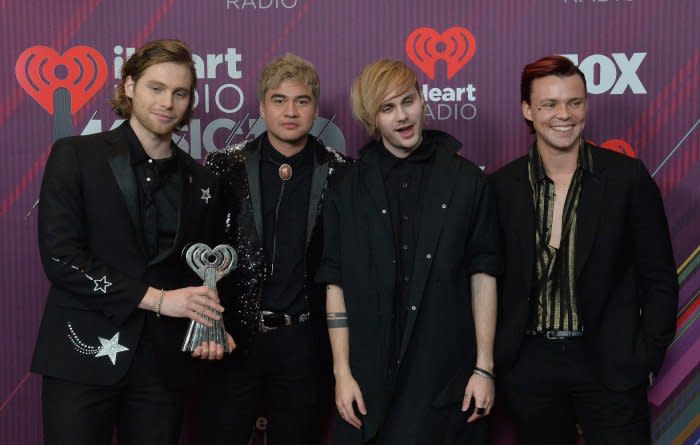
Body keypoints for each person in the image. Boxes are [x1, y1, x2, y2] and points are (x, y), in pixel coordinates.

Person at [31, 39, 234, 445]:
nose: (167, 102)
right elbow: (62, 257)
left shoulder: (203, 182)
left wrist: (213, 324)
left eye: (179, 93)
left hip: (162, 367)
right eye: (155, 88)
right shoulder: (75, 155)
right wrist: (160, 299)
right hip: (82, 354)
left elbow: (203, 269)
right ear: (129, 87)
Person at [490, 55, 679, 445]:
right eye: (549, 104)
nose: (564, 115)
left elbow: (660, 277)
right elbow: (488, 280)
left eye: (574, 102)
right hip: (529, 369)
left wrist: (645, 356)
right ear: (527, 109)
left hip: (610, 365)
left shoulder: (627, 178)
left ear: (586, 106)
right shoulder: (501, 188)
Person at [316, 59, 500, 445]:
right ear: (371, 118)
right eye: (387, 108)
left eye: (408, 101)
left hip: (446, 376)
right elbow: (335, 282)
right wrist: (342, 373)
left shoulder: (467, 180)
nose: (402, 116)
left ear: (423, 100)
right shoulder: (346, 188)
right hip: (368, 383)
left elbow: (483, 274)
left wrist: (484, 367)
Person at [199, 53, 350, 445]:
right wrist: (211, 326)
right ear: (263, 106)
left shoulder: (342, 173)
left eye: (302, 101)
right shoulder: (223, 168)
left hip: (303, 341)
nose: (290, 111)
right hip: (233, 337)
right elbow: (200, 253)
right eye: (279, 100)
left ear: (315, 109)